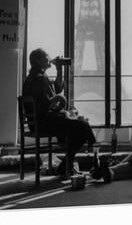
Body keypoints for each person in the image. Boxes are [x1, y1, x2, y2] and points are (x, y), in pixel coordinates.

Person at [22, 48, 96, 177]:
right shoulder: (39, 78)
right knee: (82, 125)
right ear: (38, 60)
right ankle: (68, 164)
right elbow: (45, 104)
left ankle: (67, 164)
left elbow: (56, 87)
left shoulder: (34, 77)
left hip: (39, 122)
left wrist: (59, 70)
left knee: (76, 124)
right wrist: (58, 98)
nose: (49, 58)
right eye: (46, 56)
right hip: (44, 122)